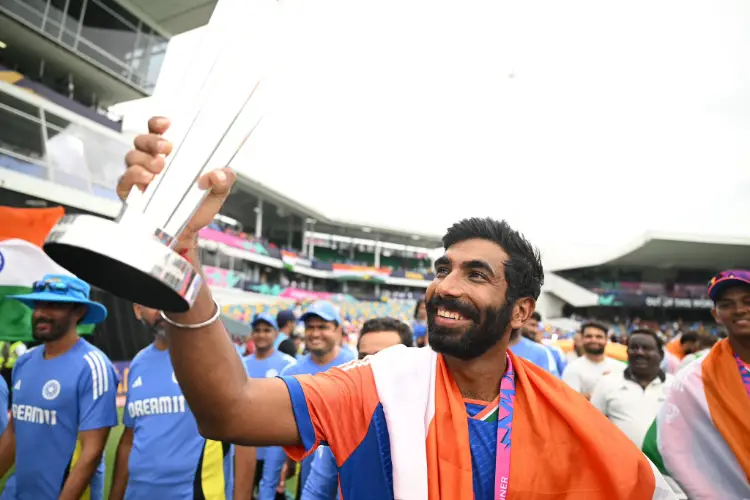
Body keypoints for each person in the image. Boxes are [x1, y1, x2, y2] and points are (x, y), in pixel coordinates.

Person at [118, 116, 674, 499]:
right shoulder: (376, 385)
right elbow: (229, 410)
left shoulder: (564, 412)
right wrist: (184, 257)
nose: (445, 287)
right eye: (442, 269)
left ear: (523, 310)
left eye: (475, 275)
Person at [109, 303, 256, 499]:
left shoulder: (216, 355)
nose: (162, 308)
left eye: (165, 298)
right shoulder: (138, 363)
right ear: (137, 310)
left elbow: (245, 438)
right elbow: (130, 438)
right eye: (151, 302)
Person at [0, 274, 117, 499]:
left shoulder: (93, 366)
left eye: (53, 305)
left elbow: (91, 453)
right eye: (38, 304)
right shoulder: (24, 362)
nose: (40, 313)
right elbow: (14, 432)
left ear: (79, 312)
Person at [643, 270, 750, 497]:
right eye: (727, 304)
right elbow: (664, 445)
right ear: (716, 314)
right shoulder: (693, 381)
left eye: (747, 301)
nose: (740, 309)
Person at [301, 317, 414, 500]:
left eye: (383, 358)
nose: (370, 368)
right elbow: (316, 491)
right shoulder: (344, 419)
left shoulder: (430, 417)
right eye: (363, 359)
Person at [261, 301, 355, 500]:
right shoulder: (291, 374)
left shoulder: (355, 366)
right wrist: (268, 488)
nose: (314, 333)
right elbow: (279, 433)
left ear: (338, 331)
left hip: (350, 471)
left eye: (323, 327)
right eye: (310, 327)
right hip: (310, 476)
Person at [243, 313, 297, 500]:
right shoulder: (240, 364)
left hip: (275, 446)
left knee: (271, 492)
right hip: (245, 444)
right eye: (257, 330)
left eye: (267, 330)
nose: (261, 334)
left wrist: (290, 458)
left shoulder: (289, 364)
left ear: (275, 334)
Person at [590, 329, 673, 448]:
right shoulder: (607, 383)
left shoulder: (676, 386)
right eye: (634, 347)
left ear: (661, 354)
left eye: (646, 348)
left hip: (662, 464)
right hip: (619, 463)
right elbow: (592, 426)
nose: (639, 352)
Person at [562, 321, 626, 399]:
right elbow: (569, 400)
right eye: (589, 336)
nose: (593, 340)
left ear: (606, 340)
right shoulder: (572, 369)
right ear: (582, 339)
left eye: (599, 337)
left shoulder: (620, 368)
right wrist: (601, 389)